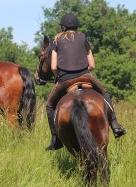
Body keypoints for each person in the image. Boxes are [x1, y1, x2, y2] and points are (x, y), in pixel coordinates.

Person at [45, 13, 126, 151]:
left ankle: (56, 139)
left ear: (63, 27)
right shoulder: (83, 38)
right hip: (85, 76)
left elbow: (53, 67)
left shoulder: (56, 41)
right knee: (105, 94)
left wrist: (60, 75)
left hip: (64, 79)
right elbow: (92, 65)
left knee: (49, 106)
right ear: (76, 26)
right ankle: (115, 124)